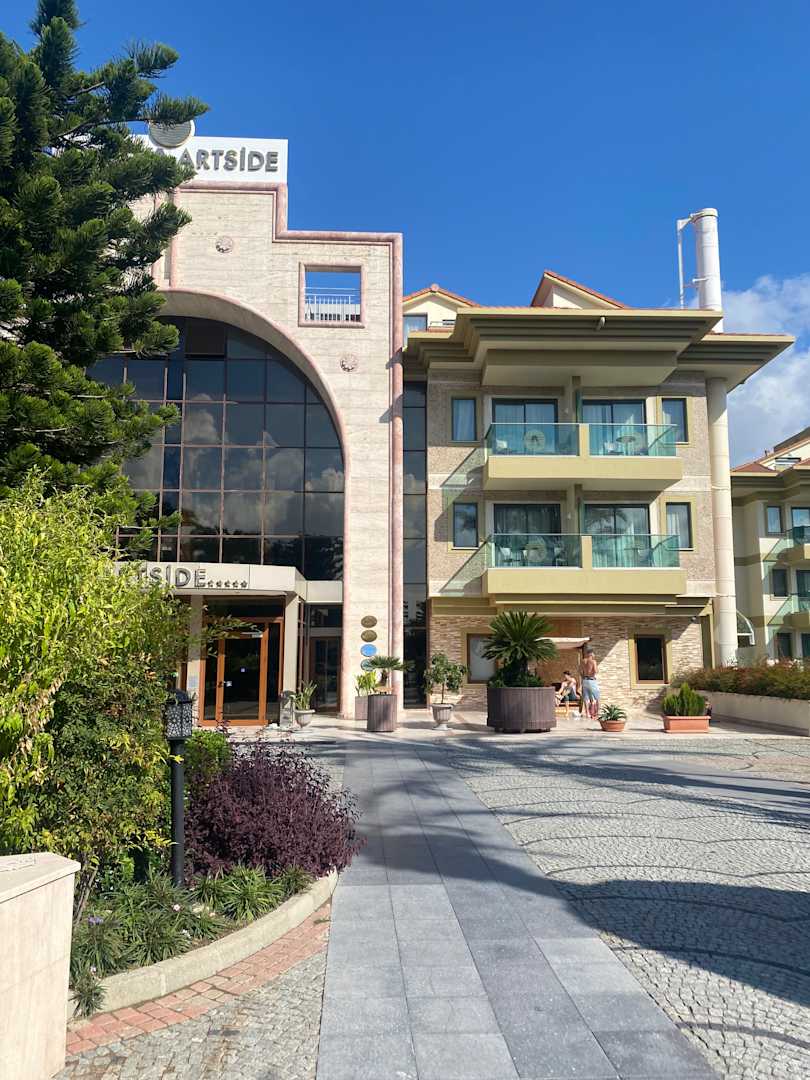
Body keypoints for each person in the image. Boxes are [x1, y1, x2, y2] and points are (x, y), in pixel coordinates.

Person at [580, 646, 600, 720]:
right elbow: (596, 671)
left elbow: (579, 670)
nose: (594, 655)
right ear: (591, 654)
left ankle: (587, 713)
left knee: (586, 698)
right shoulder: (593, 661)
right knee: (597, 698)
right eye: (593, 653)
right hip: (591, 680)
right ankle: (597, 714)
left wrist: (583, 676)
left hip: (585, 680)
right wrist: (596, 669)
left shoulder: (583, 661)